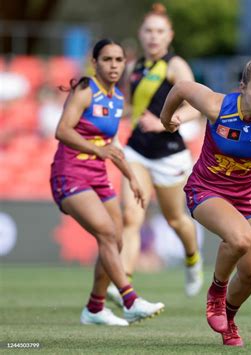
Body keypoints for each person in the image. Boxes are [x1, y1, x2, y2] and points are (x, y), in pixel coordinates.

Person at [160, 52, 251, 346]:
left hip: (246, 199)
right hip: (205, 190)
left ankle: (229, 319)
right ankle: (216, 292)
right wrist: (166, 119)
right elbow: (181, 88)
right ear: (243, 87)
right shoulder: (218, 105)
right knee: (240, 238)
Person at [50, 39, 165, 326]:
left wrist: (133, 178)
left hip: (98, 177)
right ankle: (130, 299)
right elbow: (62, 130)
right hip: (70, 173)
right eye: (107, 60)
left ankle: (95, 308)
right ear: (95, 62)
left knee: (116, 237)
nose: (114, 65)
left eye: (118, 60)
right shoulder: (85, 90)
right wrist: (97, 150)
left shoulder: (116, 100)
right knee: (105, 232)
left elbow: (112, 145)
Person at [107, 2, 203, 303]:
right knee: (132, 218)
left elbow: (196, 107)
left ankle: (192, 259)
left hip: (170, 155)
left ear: (169, 35)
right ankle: (123, 288)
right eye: (148, 30)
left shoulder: (176, 66)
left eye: (159, 31)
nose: (153, 36)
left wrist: (166, 123)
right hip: (136, 152)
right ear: (141, 33)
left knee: (176, 219)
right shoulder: (136, 67)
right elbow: (132, 110)